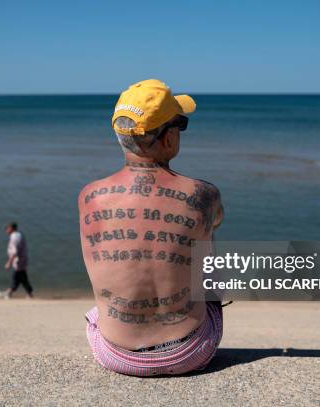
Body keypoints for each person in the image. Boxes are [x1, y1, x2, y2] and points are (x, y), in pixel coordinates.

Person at [78, 79, 224, 376]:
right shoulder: (204, 195)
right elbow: (210, 252)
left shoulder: (88, 197)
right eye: (180, 125)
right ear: (167, 139)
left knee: (97, 310)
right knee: (206, 251)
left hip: (115, 355)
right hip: (191, 352)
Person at [0, 222, 33, 299]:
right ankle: (29, 294)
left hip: (19, 260)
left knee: (18, 276)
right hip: (22, 259)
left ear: (11, 228)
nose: (6, 230)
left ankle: (9, 292)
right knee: (22, 277)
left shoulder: (14, 237)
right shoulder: (18, 235)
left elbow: (14, 252)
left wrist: (9, 262)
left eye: (7, 228)